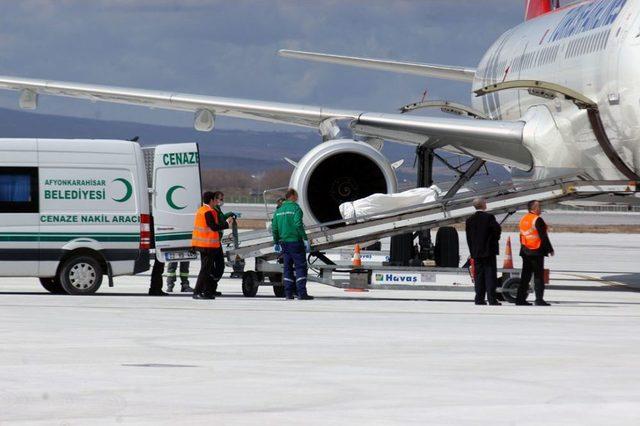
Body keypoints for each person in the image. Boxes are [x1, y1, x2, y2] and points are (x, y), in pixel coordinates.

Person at [271, 188, 313, 300]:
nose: (297, 198)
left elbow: (274, 228)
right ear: (293, 196)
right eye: (297, 196)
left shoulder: (278, 211)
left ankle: (288, 294)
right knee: (300, 268)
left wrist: (276, 241)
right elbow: (298, 224)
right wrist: (305, 238)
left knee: (287, 268)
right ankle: (302, 293)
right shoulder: (295, 208)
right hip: (295, 242)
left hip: (284, 243)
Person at [192, 191, 233, 300]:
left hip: (203, 244)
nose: (216, 202)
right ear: (211, 200)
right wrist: (227, 224)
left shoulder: (201, 210)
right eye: (215, 199)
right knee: (205, 270)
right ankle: (197, 291)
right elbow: (213, 227)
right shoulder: (208, 211)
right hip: (207, 245)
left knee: (207, 269)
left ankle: (206, 291)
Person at [516, 200, 554, 306]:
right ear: (534, 208)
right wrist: (550, 249)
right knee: (538, 276)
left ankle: (520, 299)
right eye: (539, 206)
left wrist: (523, 247)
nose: (540, 208)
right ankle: (539, 299)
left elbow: (522, 235)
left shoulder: (523, 219)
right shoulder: (537, 219)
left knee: (525, 276)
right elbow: (543, 236)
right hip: (536, 251)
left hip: (525, 250)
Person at [465, 197, 502, 305]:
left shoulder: (470, 219)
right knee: (490, 276)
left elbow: (468, 238)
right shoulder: (489, 217)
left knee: (479, 276)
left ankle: (479, 298)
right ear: (483, 205)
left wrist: (472, 251)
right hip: (488, 251)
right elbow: (497, 230)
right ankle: (491, 299)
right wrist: (494, 240)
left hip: (476, 252)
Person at [148, 215, 167, 296]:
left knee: (158, 267)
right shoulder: (156, 218)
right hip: (159, 243)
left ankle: (155, 288)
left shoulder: (154, 217)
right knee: (159, 267)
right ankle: (155, 289)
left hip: (157, 242)